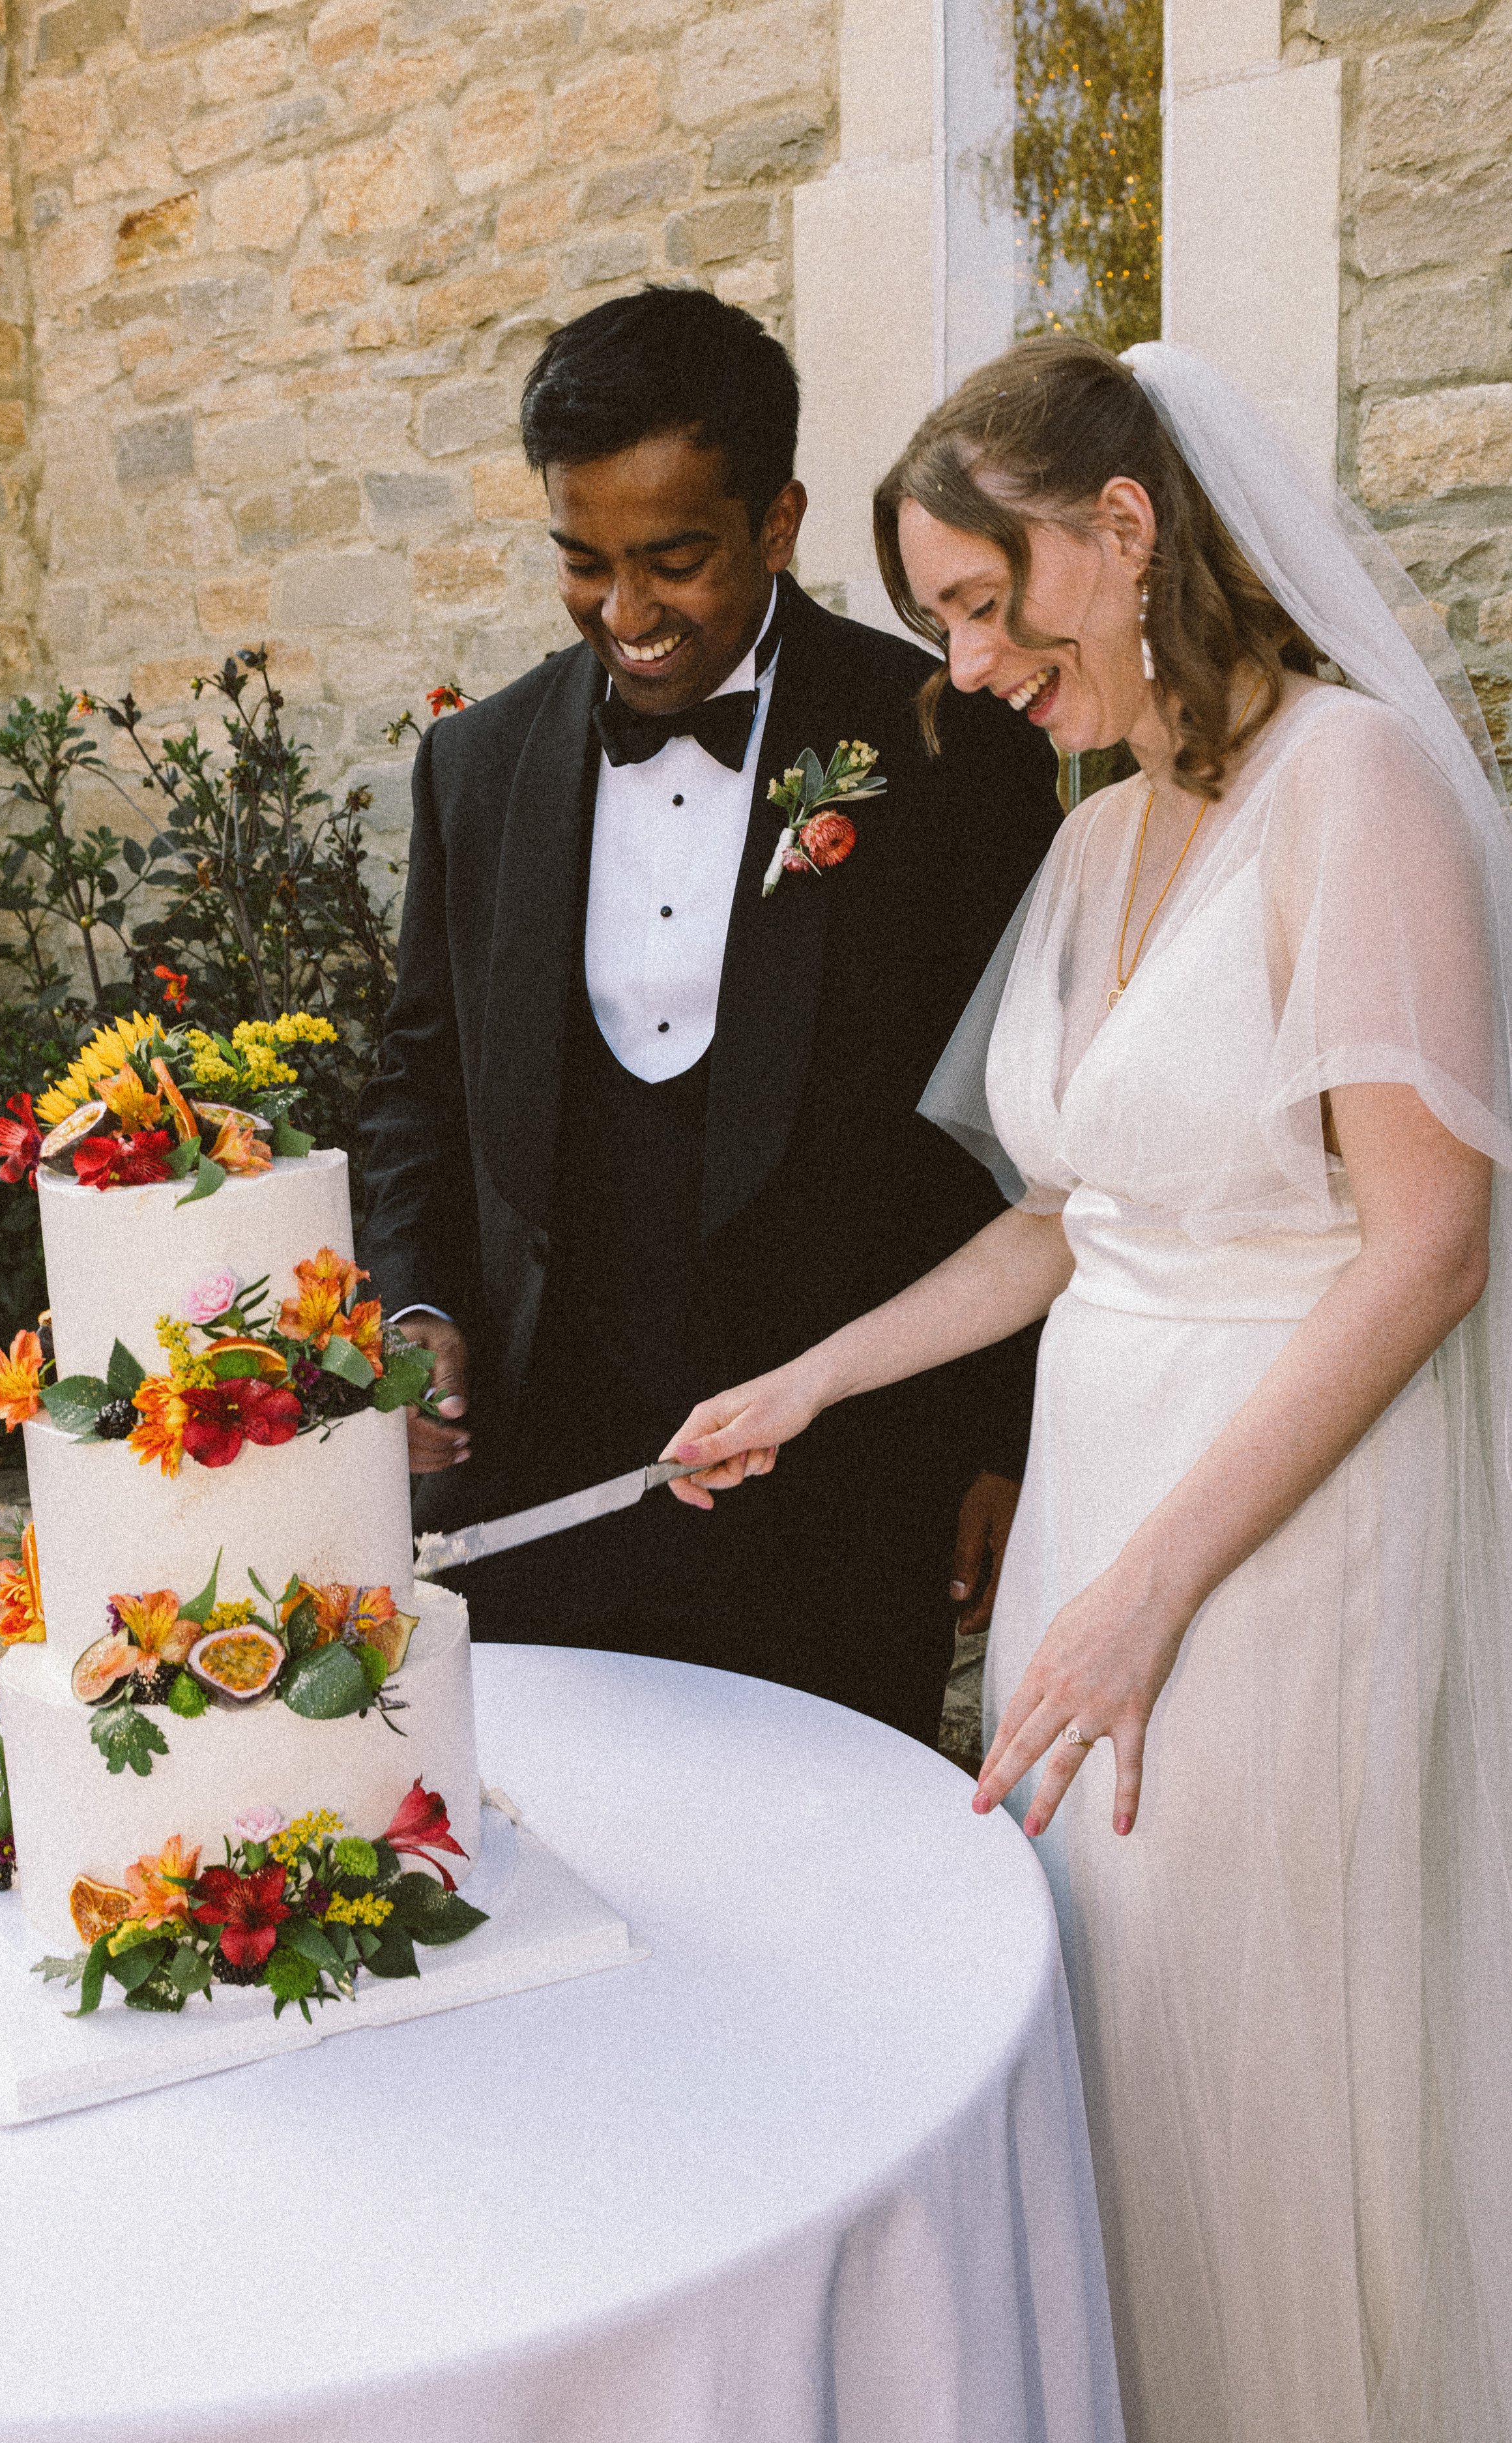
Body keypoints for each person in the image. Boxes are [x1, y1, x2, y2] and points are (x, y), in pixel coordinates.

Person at [664, 335, 1512, 2442]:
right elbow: (1069, 1220)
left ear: (1123, 530)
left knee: (1259, 2056)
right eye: (938, 612)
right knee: (1116, 2031)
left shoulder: (1356, 786)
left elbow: (1429, 1239)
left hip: (1274, 1537)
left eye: (983, 597)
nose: (959, 665)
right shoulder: (1098, 836)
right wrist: (815, 1373)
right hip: (1096, 1518)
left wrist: (1151, 1587)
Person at [359, 286, 1060, 1743]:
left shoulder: (948, 746)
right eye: (582, 561)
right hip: (541, 1487)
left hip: (842, 1489)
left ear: (777, 520)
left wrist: (1002, 1444)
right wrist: (413, 1306)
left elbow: (1017, 1126)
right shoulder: (473, 768)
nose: (625, 616)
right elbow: (418, 1084)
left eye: (672, 561)